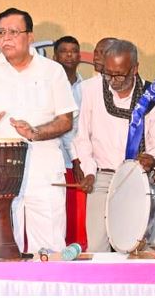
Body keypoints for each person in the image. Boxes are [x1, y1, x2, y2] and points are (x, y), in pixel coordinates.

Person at [0, 7, 77, 253]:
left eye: (13, 32)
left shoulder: (52, 71)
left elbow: (66, 120)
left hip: (43, 168)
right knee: (4, 249)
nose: (6, 38)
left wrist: (35, 132)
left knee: (48, 247)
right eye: (1, 32)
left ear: (30, 36)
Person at [74, 39, 155, 252]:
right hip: (103, 177)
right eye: (107, 74)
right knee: (97, 248)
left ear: (134, 69)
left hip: (142, 179)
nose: (112, 81)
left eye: (119, 75)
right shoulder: (92, 89)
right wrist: (89, 171)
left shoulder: (153, 96)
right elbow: (83, 137)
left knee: (148, 249)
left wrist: (152, 157)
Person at [52, 35, 86, 248]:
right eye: (64, 51)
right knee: (59, 217)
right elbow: (63, 127)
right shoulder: (50, 86)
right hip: (60, 160)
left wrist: (81, 158)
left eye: (74, 51)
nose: (69, 55)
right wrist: (75, 158)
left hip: (83, 161)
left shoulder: (87, 87)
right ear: (55, 57)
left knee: (80, 219)